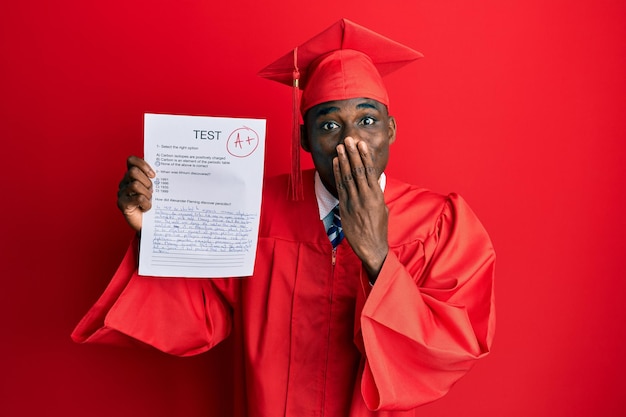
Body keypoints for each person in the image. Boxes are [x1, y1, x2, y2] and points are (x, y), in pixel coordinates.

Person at [72, 18, 496, 416]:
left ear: (391, 129)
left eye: (368, 120)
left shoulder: (442, 223)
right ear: (304, 138)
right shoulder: (254, 210)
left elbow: (450, 349)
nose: (351, 140)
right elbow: (199, 314)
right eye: (329, 125)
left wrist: (378, 257)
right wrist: (156, 234)